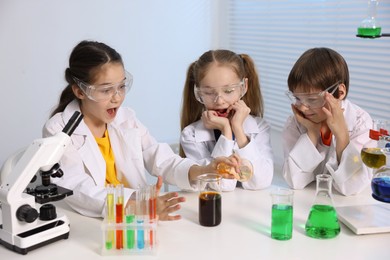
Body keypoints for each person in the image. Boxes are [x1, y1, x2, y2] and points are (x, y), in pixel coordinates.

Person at [43, 40, 238, 220]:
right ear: (80, 91)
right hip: (94, 223)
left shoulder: (126, 118)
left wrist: (205, 170)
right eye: (106, 90)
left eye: (121, 86)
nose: (117, 97)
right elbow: (76, 188)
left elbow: (162, 160)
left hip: (140, 220)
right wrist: (137, 207)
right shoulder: (58, 130)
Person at [282, 47, 376, 196]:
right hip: (308, 202)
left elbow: (352, 187)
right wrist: (312, 133)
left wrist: (342, 135)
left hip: (348, 208)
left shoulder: (361, 123)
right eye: (298, 98)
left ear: (340, 92)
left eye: (312, 99)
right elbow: (295, 181)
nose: (303, 108)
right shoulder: (296, 123)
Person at [180, 49, 274, 191]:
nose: (219, 101)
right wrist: (226, 131)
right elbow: (222, 185)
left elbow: (260, 182)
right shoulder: (191, 135)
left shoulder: (260, 127)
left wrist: (238, 128)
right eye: (209, 93)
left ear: (243, 87)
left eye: (228, 91)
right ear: (198, 93)